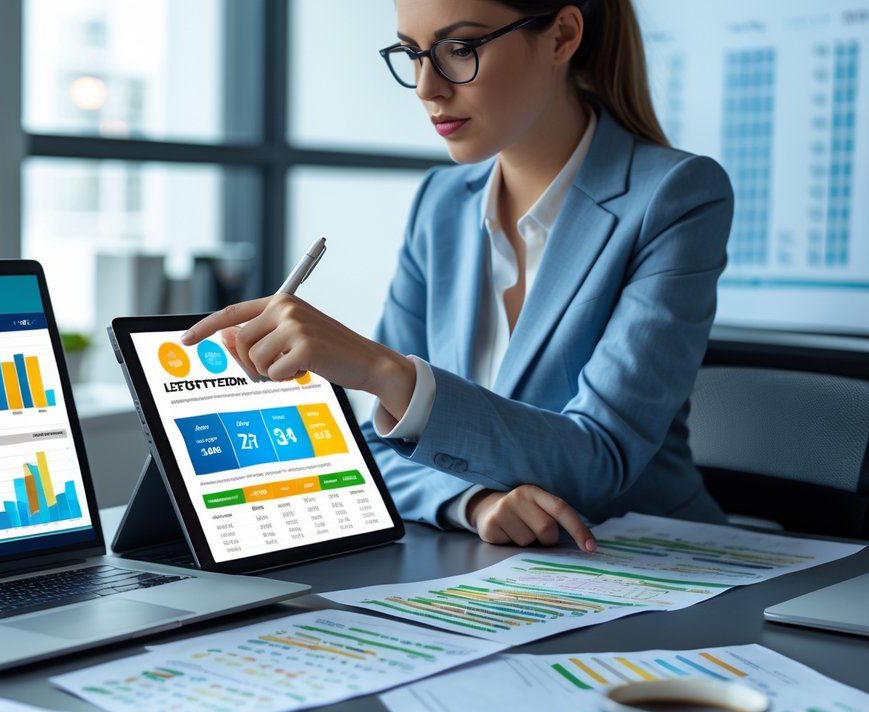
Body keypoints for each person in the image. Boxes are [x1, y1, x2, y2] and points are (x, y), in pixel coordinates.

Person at [181, 0, 733, 552]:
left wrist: (384, 372)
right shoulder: (440, 203)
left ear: (562, 36)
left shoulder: (675, 196)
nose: (427, 87)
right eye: (412, 53)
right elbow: (378, 446)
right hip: (496, 569)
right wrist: (473, 503)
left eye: (461, 49)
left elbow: (600, 459)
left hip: (653, 563)